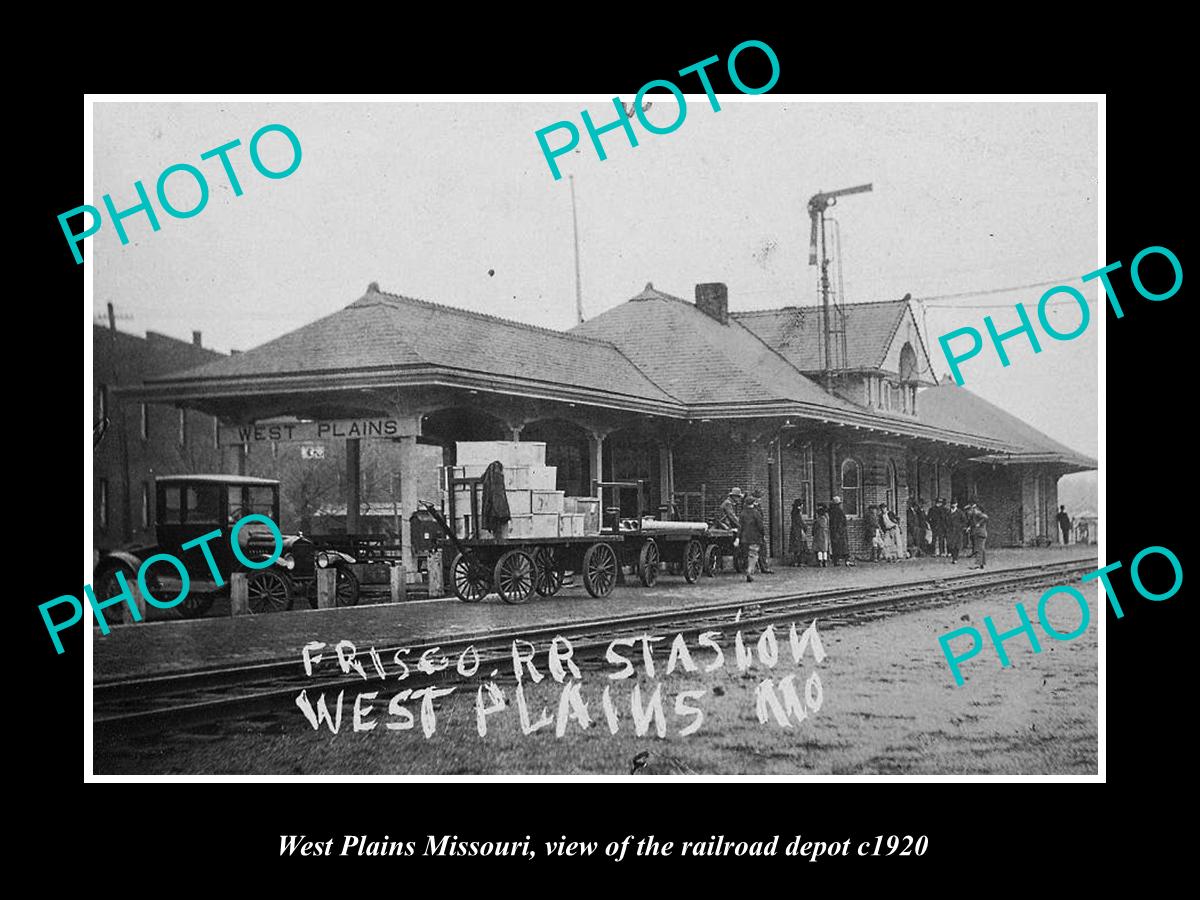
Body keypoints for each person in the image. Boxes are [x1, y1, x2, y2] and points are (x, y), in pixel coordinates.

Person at [739, 489, 766, 583]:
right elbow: (760, 526)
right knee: (753, 555)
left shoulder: (742, 514)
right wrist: (763, 535)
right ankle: (749, 572)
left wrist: (738, 538)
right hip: (755, 538)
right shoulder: (756, 513)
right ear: (753, 503)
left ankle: (748, 570)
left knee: (746, 555)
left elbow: (740, 527)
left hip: (744, 539)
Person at [829, 495, 853, 566]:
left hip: (834, 531)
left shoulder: (831, 511)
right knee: (843, 547)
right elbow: (841, 521)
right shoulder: (839, 511)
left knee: (835, 547)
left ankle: (836, 561)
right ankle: (846, 561)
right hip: (840, 531)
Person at [788, 499, 810, 566]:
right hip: (798, 531)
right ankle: (800, 562)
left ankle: (795, 562)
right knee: (801, 546)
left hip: (794, 531)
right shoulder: (797, 513)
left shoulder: (793, 512)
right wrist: (805, 526)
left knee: (795, 547)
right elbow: (800, 522)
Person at [970, 503, 990, 569]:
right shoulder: (976, 516)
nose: (974, 511)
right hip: (980, 534)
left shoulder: (981, 516)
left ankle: (978, 564)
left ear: (979, 510)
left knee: (979, 549)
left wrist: (979, 523)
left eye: (975, 509)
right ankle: (982, 564)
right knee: (981, 549)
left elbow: (985, 517)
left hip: (980, 534)